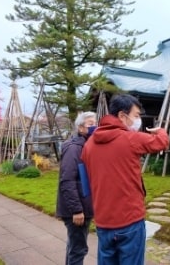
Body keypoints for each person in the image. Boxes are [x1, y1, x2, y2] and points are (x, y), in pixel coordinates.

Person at [81, 94, 169, 265]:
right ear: (122, 116)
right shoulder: (130, 138)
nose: (138, 120)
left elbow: (87, 179)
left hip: (103, 220)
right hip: (129, 220)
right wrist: (161, 131)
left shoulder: (89, 145)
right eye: (136, 116)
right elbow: (160, 142)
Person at [57, 111, 96, 265]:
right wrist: (77, 210)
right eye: (90, 124)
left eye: (95, 123)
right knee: (78, 249)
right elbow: (67, 180)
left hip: (83, 206)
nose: (95, 127)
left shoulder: (85, 146)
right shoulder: (74, 148)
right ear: (81, 128)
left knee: (74, 246)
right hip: (77, 209)